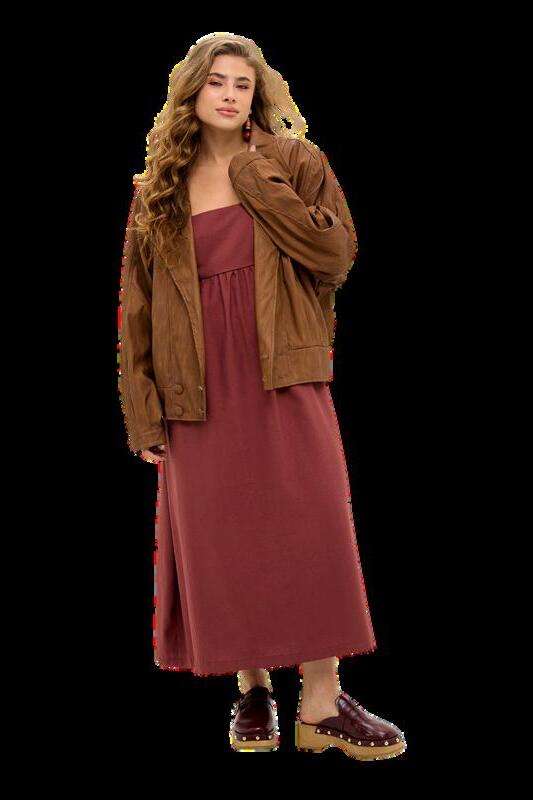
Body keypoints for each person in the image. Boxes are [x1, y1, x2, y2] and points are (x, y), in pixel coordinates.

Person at [118, 33, 406, 759]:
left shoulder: (292, 161)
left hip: (283, 368)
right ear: (191, 91)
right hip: (195, 384)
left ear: (257, 96)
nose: (227, 95)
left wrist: (255, 179)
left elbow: (335, 256)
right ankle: (251, 689)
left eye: (241, 85)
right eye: (215, 81)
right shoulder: (159, 190)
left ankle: (321, 699)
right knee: (225, 536)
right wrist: (142, 412)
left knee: (310, 525)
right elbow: (138, 307)